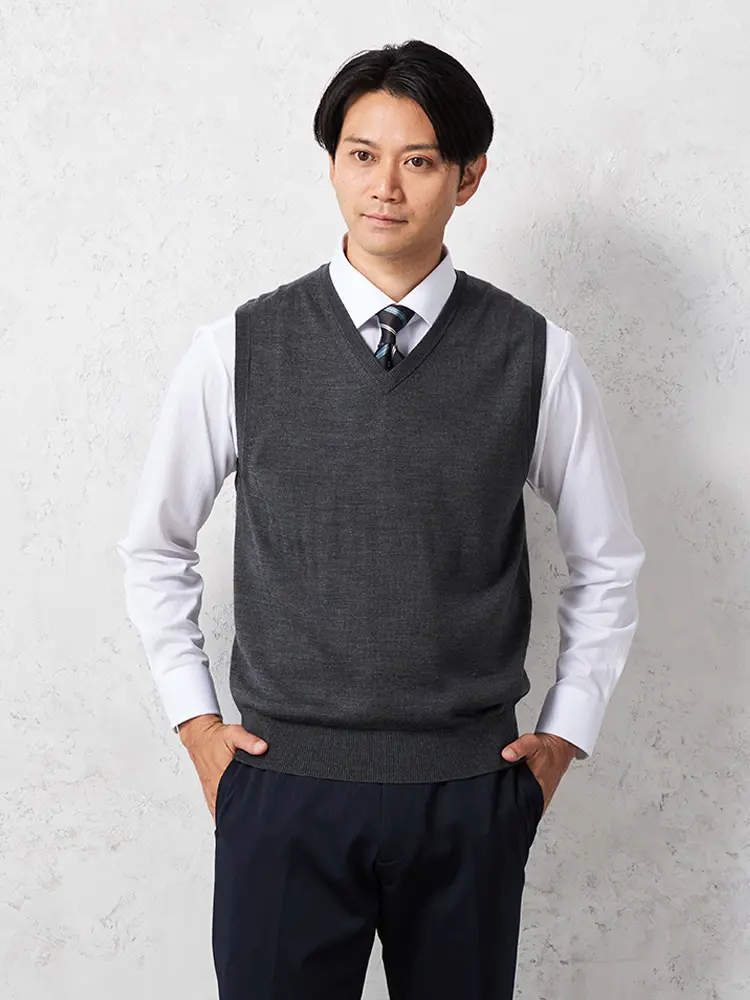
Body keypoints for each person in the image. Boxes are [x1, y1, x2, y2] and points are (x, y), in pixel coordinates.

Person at [116, 38, 646, 1000]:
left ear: (468, 178)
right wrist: (198, 727)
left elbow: (607, 563)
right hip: (283, 789)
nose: (385, 187)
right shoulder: (238, 348)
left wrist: (562, 739)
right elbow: (156, 546)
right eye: (362, 155)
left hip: (468, 795)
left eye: (419, 160)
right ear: (332, 164)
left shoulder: (535, 356)